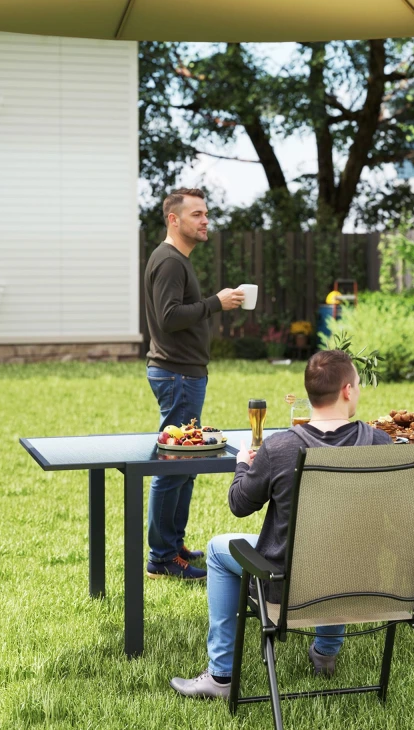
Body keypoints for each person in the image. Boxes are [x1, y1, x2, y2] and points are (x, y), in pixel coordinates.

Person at [170, 349, 414, 699]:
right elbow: (412, 520)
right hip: (363, 585)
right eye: (358, 385)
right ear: (347, 390)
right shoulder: (379, 442)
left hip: (291, 590)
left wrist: (242, 464)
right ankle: (326, 652)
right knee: (340, 541)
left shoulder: (280, 448)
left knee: (217, 549)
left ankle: (221, 676)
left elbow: (239, 504)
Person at [144, 187, 245, 580]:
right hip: (178, 375)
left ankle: (173, 545)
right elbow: (169, 317)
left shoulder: (176, 260)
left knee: (185, 465)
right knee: (174, 466)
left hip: (183, 374)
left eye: (205, 214)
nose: (205, 221)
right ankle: (162, 558)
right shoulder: (170, 261)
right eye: (197, 214)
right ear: (174, 219)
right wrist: (215, 303)